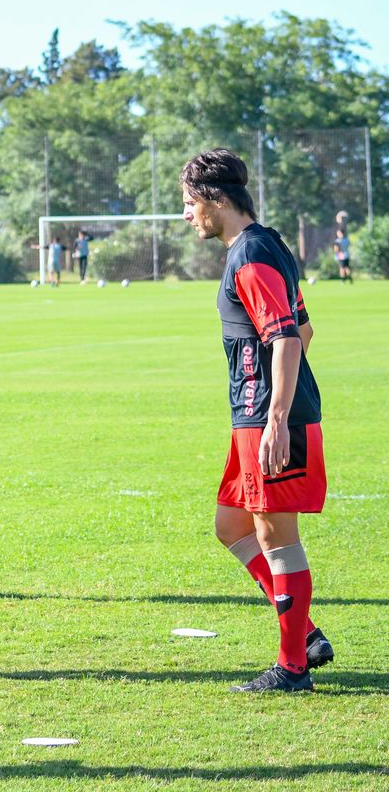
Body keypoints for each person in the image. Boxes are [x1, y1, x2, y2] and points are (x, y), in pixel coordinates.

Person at [181, 149, 332, 693]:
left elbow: (287, 338)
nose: (187, 214)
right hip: (255, 414)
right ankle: (306, 635)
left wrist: (276, 416)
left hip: (270, 418)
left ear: (215, 199)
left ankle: (292, 667)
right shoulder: (264, 245)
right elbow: (304, 330)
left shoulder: (251, 254)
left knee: (275, 535)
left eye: (190, 203)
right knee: (233, 526)